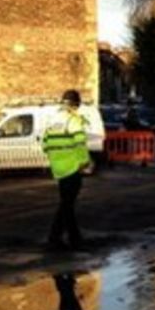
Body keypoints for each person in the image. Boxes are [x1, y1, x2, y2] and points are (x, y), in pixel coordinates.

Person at [43, 89, 93, 250]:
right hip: (72, 166)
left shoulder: (52, 120)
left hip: (58, 167)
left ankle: (74, 236)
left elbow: (45, 144)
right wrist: (84, 161)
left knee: (67, 202)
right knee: (67, 204)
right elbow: (79, 142)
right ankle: (55, 237)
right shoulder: (73, 120)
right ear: (75, 105)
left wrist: (56, 157)